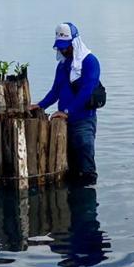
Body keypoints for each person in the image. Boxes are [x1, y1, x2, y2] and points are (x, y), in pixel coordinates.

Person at [29, 22, 102, 185]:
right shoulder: (62, 66)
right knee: (68, 166)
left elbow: (87, 91)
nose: (63, 50)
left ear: (74, 42)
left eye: (66, 46)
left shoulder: (90, 62)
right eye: (61, 47)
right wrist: (40, 105)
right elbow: (55, 91)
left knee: (85, 165)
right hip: (64, 123)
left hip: (83, 121)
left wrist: (68, 111)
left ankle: (87, 197)